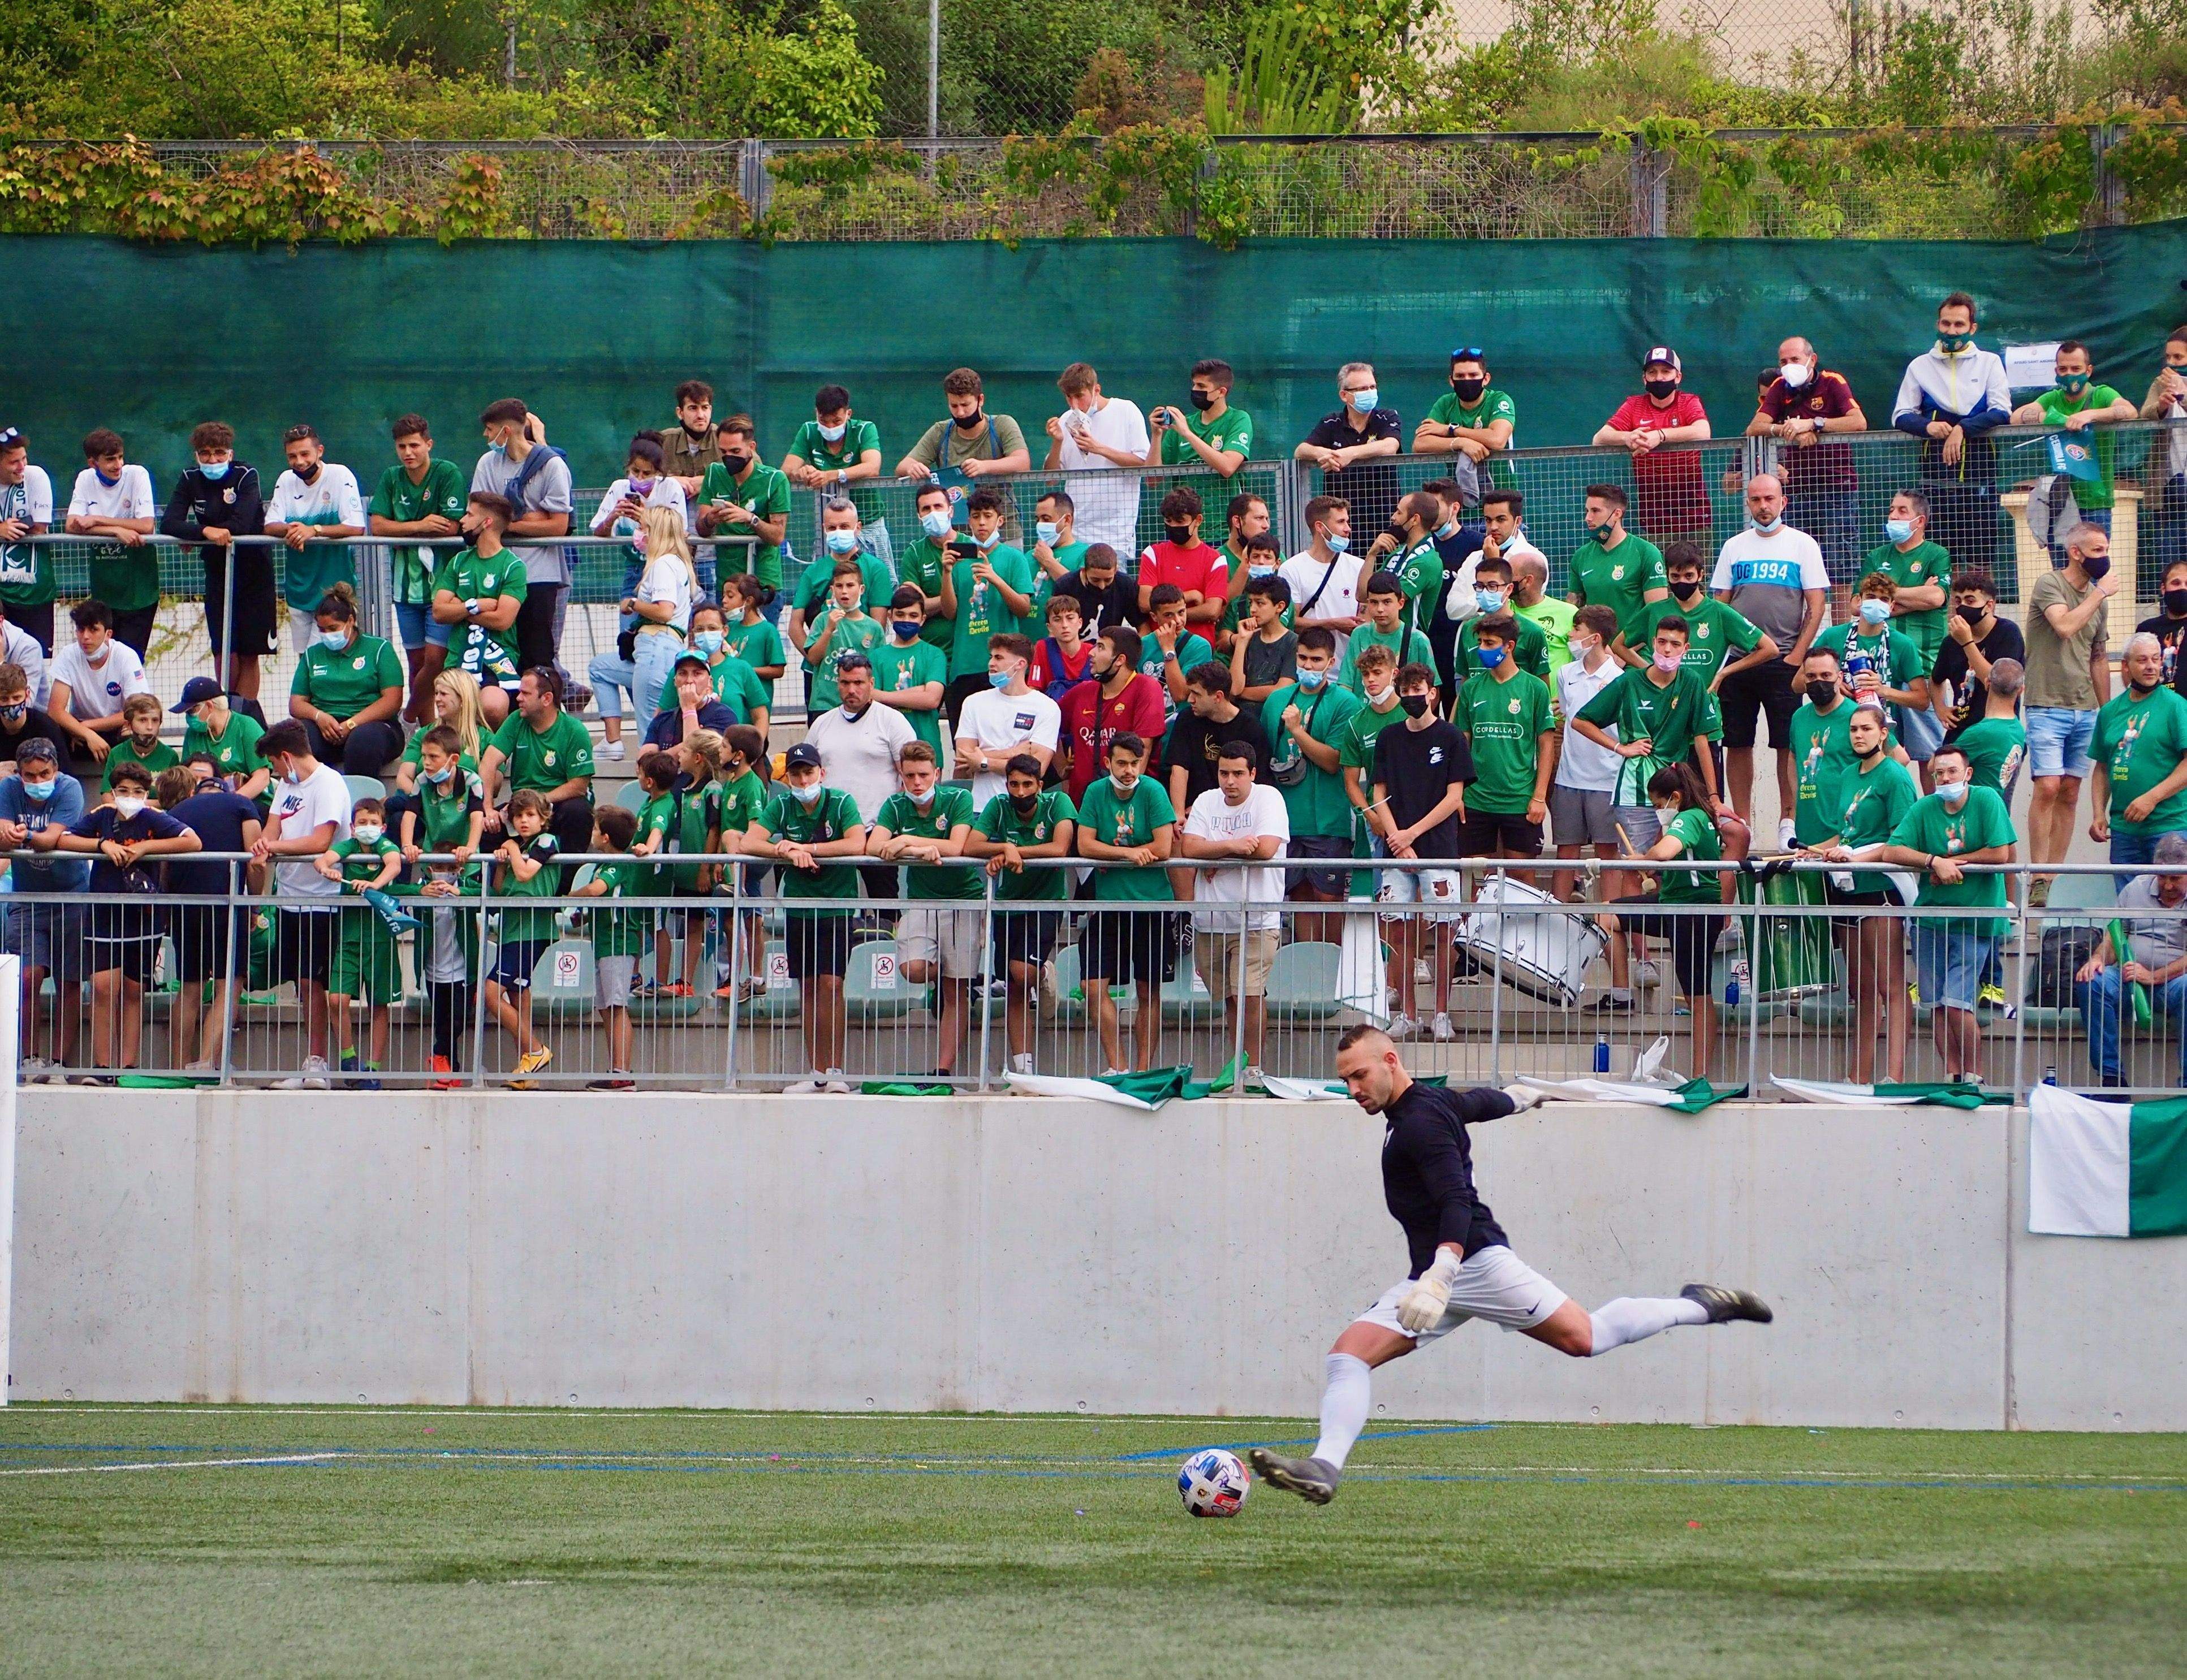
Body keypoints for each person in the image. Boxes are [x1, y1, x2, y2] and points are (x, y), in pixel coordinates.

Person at [1249, 1027, 1771, 1506]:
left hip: (1474, 1263)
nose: (1353, 1088)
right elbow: (1475, 1102)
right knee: (1347, 1357)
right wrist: (1520, 1097)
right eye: (1344, 1080)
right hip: (1434, 1276)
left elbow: (1456, 1197)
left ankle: (1698, 1305)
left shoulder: (1421, 1122)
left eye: (1359, 1075)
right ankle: (1324, 1466)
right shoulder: (1426, 1104)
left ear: (1390, 1060)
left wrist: (1442, 1273)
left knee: (1586, 1337)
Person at [36, 759, 199, 1079]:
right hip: (104, 913)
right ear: (112, 792)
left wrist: (146, 848)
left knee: (133, 990)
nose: (130, 796)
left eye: (137, 791)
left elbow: (192, 841)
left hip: (142, 916)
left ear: (146, 793)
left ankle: (127, 1067)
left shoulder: (154, 818)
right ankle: (101, 1066)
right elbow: (63, 839)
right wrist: (102, 845)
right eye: (123, 790)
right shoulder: (102, 817)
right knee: (102, 987)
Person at [1799, 702, 1918, 1085]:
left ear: (1883, 733)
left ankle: (1894, 1075)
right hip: (1846, 887)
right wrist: (1815, 850)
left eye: (1866, 728)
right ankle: (1859, 1074)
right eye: (1853, 729)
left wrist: (1854, 856)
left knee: (1891, 985)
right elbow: (1845, 833)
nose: (1858, 735)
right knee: (1861, 987)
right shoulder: (1849, 774)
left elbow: (1901, 841)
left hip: (1880, 887)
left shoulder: (1895, 776)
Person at [1883, 744, 2015, 1086]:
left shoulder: (1987, 800)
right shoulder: (1925, 807)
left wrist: (1954, 863)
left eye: (1952, 771)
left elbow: (2001, 853)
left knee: (1958, 1003)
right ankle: (1951, 1075)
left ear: (1968, 773)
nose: (1945, 778)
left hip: (1976, 919)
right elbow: (1893, 848)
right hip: (1929, 920)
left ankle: (1976, 1075)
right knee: (1936, 1006)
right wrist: (1932, 862)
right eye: (1939, 772)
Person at [1710, 473, 1829, 842]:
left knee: (1786, 743)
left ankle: (1787, 822)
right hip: (1739, 662)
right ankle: (1742, 821)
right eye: (1756, 499)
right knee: (1737, 742)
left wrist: (1797, 655)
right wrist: (1722, 661)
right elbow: (1719, 606)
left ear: (1783, 502)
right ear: (1747, 502)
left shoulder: (1802, 545)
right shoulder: (1733, 547)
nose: (1763, 506)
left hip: (1785, 663)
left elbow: (1816, 603)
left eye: (1769, 499)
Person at [745, 741, 868, 1094]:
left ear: (821, 773)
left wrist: (807, 850)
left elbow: (856, 843)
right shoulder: (782, 803)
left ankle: (835, 1069)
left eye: (808, 773)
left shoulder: (841, 801)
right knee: (810, 987)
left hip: (838, 906)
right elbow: (749, 842)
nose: (802, 781)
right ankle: (817, 1071)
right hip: (799, 907)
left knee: (833, 985)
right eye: (796, 775)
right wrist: (782, 848)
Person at [1572, 616, 1726, 884]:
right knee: (1637, 867)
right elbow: (1580, 721)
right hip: (1636, 791)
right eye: (1663, 642)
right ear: (1654, 643)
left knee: (1671, 866)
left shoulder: (1692, 682)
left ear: (1685, 649)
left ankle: (1665, 925)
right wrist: (1620, 747)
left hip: (1677, 790)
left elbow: (1703, 740)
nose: (1667, 650)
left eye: (1675, 644)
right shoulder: (1629, 682)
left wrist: (1713, 795)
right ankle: (1629, 927)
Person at [1593, 763, 1730, 1063]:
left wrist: (1645, 857)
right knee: (1606, 916)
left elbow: (1666, 851)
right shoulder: (1697, 817)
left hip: (1694, 912)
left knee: (1698, 996)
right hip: (1672, 904)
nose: (1658, 811)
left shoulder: (1689, 818)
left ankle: (1700, 1074)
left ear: (1676, 797)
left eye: (1659, 805)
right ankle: (1621, 993)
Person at [249, 720, 353, 1089]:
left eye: (275, 765)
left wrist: (273, 848)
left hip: (321, 900)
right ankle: (312, 1060)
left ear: (286, 757)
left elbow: (320, 841)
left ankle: (319, 1063)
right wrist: (264, 844)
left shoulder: (328, 783)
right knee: (302, 982)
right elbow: (272, 827)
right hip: (290, 898)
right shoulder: (286, 785)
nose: (277, 773)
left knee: (314, 982)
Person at [1373, 662, 1472, 1041]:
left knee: (1444, 930)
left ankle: (1442, 1012)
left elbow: (1454, 796)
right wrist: (1396, 836)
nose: (1412, 696)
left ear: (1432, 692)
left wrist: (1412, 833)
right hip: (1395, 848)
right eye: (1405, 689)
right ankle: (1409, 1013)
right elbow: (1377, 792)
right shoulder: (1388, 737)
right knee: (1396, 928)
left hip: (1437, 847)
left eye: (1418, 689)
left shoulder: (1450, 737)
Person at [869, 742, 980, 1078]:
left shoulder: (959, 799)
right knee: (914, 969)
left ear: (938, 773)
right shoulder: (895, 804)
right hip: (920, 901)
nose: (917, 782)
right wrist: (922, 847)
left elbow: (958, 846)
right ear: (901, 776)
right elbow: (875, 845)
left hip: (964, 900)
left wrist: (905, 842)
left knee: (954, 989)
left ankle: (943, 1069)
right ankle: (951, 970)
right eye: (910, 776)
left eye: (923, 775)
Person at [1180, 741, 1289, 1081]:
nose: (1230, 781)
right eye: (1224, 773)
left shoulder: (1269, 797)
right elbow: (1189, 847)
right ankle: (1239, 1065)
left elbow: (1266, 849)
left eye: (1238, 774)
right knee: (1230, 997)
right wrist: (1232, 847)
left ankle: (1254, 1069)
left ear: (1253, 774)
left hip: (1257, 917)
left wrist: (1214, 858)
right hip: (1211, 919)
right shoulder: (1205, 800)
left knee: (1250, 994)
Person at [1076, 732, 1178, 1076]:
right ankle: (1117, 1068)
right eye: (1121, 763)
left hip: (1152, 905)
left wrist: (1113, 854)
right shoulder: (1095, 791)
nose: (1129, 770)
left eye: (1135, 763)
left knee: (1149, 991)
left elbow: (1164, 848)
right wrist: (1129, 854)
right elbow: (1085, 846)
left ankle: (1144, 1070)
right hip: (1108, 906)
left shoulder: (1153, 790)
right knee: (1092, 985)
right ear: (1108, 763)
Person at [2024, 521, 2116, 901]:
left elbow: (2097, 657)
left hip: (2085, 707)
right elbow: (2063, 626)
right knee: (2046, 785)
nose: (2103, 557)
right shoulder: (2050, 584)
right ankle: (2035, 873)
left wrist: (2108, 711)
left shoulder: (2100, 602)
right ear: (2075, 551)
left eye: (2105, 548)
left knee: (2070, 792)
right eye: (2096, 549)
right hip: (2046, 702)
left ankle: (2051, 876)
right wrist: (2097, 595)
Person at [967, 754, 1075, 1076]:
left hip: (1046, 902)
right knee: (1014, 985)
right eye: (1014, 784)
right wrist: (1004, 850)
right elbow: (972, 845)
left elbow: (1060, 848)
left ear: (1039, 786)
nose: (1021, 791)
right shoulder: (999, 806)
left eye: (1028, 784)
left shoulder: (1058, 802)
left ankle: (1042, 974)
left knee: (1022, 973)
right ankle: (1022, 1069)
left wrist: (1011, 850)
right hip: (1008, 903)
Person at [1892, 292, 2011, 577]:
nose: (1952, 331)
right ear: (1938, 324)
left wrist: (1962, 430)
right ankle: (1946, 621)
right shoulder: (1920, 366)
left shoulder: (1990, 362)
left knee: (1981, 564)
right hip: (1935, 480)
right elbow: (1900, 415)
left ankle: (1980, 620)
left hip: (1979, 478)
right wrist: (1928, 427)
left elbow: (2002, 410)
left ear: (1973, 328)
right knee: (1942, 563)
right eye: (1946, 324)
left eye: (1959, 325)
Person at [159, 758, 261, 1076]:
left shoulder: (176, 813)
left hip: (184, 906)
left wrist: (167, 907)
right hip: (227, 906)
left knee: (189, 987)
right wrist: (255, 906)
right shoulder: (242, 805)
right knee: (227, 985)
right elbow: (255, 863)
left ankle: (178, 1067)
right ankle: (206, 1063)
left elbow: (164, 869)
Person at [369, 414, 469, 724]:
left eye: (414, 445)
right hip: (404, 589)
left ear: (429, 444)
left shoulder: (447, 472)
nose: (408, 452)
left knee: (437, 660)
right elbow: (377, 526)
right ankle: (425, 732)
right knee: (416, 664)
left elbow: (452, 525)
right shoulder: (391, 477)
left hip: (444, 587)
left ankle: (408, 715)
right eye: (402, 446)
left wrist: (400, 531)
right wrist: (421, 526)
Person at [1261, 625, 1359, 937]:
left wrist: (1298, 732)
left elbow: (1333, 762)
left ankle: (1332, 970)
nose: (1308, 666)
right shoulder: (1276, 701)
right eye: (1302, 658)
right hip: (1286, 820)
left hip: (1327, 820)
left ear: (1331, 662)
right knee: (1298, 896)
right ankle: (1306, 969)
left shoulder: (1345, 702)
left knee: (1328, 898)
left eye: (1316, 660)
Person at [402, 723, 485, 1089]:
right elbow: (409, 816)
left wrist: (470, 847)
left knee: (460, 1015)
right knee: (442, 1016)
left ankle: (449, 1066)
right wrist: (409, 845)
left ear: (452, 758)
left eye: (433, 757)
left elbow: (478, 817)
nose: (427, 762)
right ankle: (443, 1066)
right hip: (436, 968)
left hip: (463, 965)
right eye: (424, 755)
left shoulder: (472, 780)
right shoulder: (422, 781)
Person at [1747, 337, 1866, 590]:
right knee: (1797, 569)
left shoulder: (1833, 382)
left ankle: (1841, 630)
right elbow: (1754, 428)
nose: (1789, 366)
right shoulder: (1779, 387)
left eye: (1795, 360)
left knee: (1840, 569)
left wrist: (1815, 424)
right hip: (1797, 490)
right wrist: (1788, 429)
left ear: (1812, 359)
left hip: (1838, 488)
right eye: (1783, 362)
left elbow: (1858, 422)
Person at [0, 736, 87, 1078]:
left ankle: (59, 1063)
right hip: (27, 898)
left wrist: (18, 837)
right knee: (27, 977)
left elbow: (51, 839)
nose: (37, 782)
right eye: (29, 776)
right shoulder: (8, 788)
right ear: (19, 774)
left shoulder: (71, 789)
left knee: (68, 982)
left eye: (43, 774)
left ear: (56, 769)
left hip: (72, 896)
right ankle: (28, 1057)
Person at [2073, 832, 2187, 1089]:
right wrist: (2097, 959)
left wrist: (2154, 976)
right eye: (2162, 877)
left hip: (2175, 982)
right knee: (2092, 980)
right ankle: (2111, 1078)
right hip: (2128, 977)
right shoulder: (2136, 888)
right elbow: (2115, 936)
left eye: (2176, 878)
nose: (2168, 886)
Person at [159, 422, 269, 688]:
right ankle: (226, 710)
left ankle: (244, 718)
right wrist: (204, 531)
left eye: (219, 453)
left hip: (255, 571)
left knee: (249, 651)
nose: (213, 460)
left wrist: (195, 533)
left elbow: (241, 524)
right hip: (217, 572)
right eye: (206, 454)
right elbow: (169, 523)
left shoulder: (246, 475)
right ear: (197, 456)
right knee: (223, 649)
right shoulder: (189, 478)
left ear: (230, 453)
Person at [2011, 339, 2140, 557]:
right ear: (2056, 371)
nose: (2069, 374)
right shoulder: (2053, 398)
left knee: (2093, 570)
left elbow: (2129, 411)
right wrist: (2054, 418)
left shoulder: (2101, 394)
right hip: (2062, 501)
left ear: (2089, 371)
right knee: (2063, 574)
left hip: (2096, 501)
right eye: (2063, 369)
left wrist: (2090, 415)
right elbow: (2016, 417)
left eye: (2076, 369)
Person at [590, 507, 701, 758]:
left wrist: (632, 603)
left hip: (656, 647)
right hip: (657, 650)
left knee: (649, 731)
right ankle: (613, 741)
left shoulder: (663, 564)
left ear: (656, 533)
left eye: (644, 528)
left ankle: (653, 777)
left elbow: (664, 612)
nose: (638, 534)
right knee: (600, 668)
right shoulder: (678, 564)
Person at [312, 794, 404, 1088]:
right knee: (337, 998)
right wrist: (326, 869)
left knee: (379, 1004)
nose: (368, 827)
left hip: (379, 938)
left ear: (383, 826)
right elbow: (324, 858)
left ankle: (373, 1070)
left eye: (374, 823)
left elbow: (394, 864)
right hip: (350, 937)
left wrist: (374, 885)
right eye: (362, 823)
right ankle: (349, 1058)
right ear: (352, 827)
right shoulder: (349, 846)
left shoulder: (384, 845)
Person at [1452, 612, 1555, 865]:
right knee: (1475, 874)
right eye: (1480, 643)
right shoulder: (1470, 689)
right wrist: (1457, 795)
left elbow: (1546, 744)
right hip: (1476, 799)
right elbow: (1461, 744)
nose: (1482, 650)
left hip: (1520, 799)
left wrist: (1539, 797)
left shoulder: (1535, 688)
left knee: (1522, 876)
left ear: (1509, 646)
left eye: (1489, 643)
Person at [1809, 575, 1930, 778]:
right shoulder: (1833, 636)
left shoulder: (1902, 644)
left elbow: (1922, 700)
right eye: (1871, 596)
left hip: (1881, 736)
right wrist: (1833, 685)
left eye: (1884, 600)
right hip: (1839, 731)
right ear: (1859, 600)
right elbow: (1798, 682)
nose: (1876, 603)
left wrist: (1882, 690)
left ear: (1892, 606)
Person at [806, 650, 919, 864]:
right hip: (832, 831)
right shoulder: (821, 724)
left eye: (858, 683)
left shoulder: (892, 721)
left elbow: (911, 777)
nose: (852, 690)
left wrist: (893, 824)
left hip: (878, 831)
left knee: (882, 897)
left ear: (871, 683)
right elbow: (808, 776)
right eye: (845, 683)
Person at [481, 788, 560, 1089]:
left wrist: (513, 850)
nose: (524, 821)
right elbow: (502, 888)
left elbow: (527, 874)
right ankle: (527, 1071)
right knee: (517, 995)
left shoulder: (546, 841)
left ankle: (537, 1050)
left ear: (543, 819)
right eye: (519, 816)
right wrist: (502, 860)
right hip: (512, 928)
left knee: (491, 993)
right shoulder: (520, 845)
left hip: (531, 929)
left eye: (531, 815)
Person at [263, 424, 366, 651]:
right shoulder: (286, 479)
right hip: (298, 588)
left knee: (325, 656)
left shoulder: (340, 475)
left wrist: (314, 530)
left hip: (335, 589)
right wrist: (294, 530)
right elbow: (270, 525)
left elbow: (356, 526)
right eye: (292, 456)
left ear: (320, 451)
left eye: (305, 454)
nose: (299, 461)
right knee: (305, 659)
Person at [567, 804, 649, 1091]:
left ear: (605, 838)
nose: (592, 833)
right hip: (603, 943)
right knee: (605, 1007)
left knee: (617, 1006)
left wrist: (571, 896)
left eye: (595, 829)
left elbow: (596, 891)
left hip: (619, 942)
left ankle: (623, 1072)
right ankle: (615, 1067)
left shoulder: (619, 863)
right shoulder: (603, 864)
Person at [2089, 631, 2187, 871]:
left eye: (2155, 659)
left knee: (2170, 903)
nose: (2151, 667)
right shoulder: (2110, 712)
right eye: (2142, 660)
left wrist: (2151, 799)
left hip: (2169, 827)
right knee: (2127, 904)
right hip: (2123, 831)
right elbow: (2102, 768)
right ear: (2126, 666)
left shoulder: (2176, 706)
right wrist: (2098, 815)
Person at [938, 487, 1036, 729]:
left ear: (1000, 520)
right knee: (964, 745)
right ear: (968, 520)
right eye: (976, 516)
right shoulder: (959, 560)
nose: (982, 522)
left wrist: (996, 579)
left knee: (1003, 737)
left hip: (1004, 667)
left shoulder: (1014, 558)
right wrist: (947, 573)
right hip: (964, 666)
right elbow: (950, 613)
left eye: (988, 516)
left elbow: (1024, 609)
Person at [1595, 347, 1712, 545]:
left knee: (1694, 575)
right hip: (1653, 520)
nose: (1659, 378)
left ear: (1678, 377)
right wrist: (1627, 437)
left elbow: (1703, 431)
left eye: (1666, 372)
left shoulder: (1689, 402)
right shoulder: (1634, 405)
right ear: (1644, 378)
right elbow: (1600, 438)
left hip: (1695, 516)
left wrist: (1660, 436)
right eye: (1652, 372)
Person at [479, 666, 594, 863]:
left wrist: (539, 800)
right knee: (482, 822)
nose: (518, 698)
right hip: (523, 806)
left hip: (557, 803)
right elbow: (488, 764)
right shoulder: (516, 721)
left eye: (525, 693)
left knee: (578, 812)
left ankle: (567, 889)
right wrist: (488, 808)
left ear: (547, 699)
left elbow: (579, 786)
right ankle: (490, 890)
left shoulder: (575, 730)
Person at [288, 583, 406, 776]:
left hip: (372, 726)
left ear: (351, 621)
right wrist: (320, 717)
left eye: (333, 628)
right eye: (322, 630)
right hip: (326, 727)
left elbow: (392, 701)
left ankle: (362, 802)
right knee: (299, 738)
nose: (326, 635)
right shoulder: (312, 655)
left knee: (362, 742)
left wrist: (352, 724)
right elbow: (296, 704)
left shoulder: (379, 649)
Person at [432, 491, 526, 727]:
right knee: (450, 710)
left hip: (496, 660)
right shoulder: (458, 561)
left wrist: (461, 609)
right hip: (457, 659)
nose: (462, 520)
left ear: (487, 523)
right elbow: (439, 612)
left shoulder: (513, 567)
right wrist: (476, 605)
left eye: (469, 514)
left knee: (493, 706)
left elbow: (503, 619)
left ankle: (493, 760)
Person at [61, 429, 157, 663]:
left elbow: (146, 525)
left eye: (121, 457)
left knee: (132, 661)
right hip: (104, 593)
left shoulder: (137, 475)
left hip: (139, 592)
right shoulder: (85, 479)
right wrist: (116, 531)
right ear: (93, 463)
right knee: (102, 661)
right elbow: (72, 525)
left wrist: (97, 520)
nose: (118, 465)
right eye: (110, 460)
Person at [1551, 606, 1626, 901]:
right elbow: (1570, 718)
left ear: (1595, 638)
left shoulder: (1621, 679)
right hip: (1569, 779)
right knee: (1566, 853)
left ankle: (1609, 926)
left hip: (1607, 782)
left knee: (1608, 854)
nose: (1570, 635)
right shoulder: (1566, 673)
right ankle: (1556, 924)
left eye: (1577, 630)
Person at [1043, 362, 1149, 554]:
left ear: (1096, 389)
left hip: (1114, 537)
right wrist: (1057, 442)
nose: (1074, 404)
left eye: (1080, 396)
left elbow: (1143, 462)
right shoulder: (1066, 419)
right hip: (1074, 536)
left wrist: (1098, 448)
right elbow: (1050, 479)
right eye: (1069, 397)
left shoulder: (1126, 410)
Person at [783, 383, 888, 568]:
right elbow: (786, 470)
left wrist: (832, 475)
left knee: (881, 578)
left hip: (869, 522)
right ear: (817, 413)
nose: (830, 427)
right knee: (829, 580)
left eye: (837, 421)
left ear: (849, 414)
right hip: (831, 528)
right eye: (824, 421)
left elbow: (872, 467)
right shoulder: (808, 431)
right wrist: (802, 473)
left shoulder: (865, 429)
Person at [1058, 625, 1165, 804]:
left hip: (1123, 804)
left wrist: (1124, 804)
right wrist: (1062, 768)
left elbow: (1142, 750)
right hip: (1081, 804)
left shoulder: (1146, 688)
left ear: (1120, 660)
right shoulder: (1082, 691)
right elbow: (1048, 724)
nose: (1091, 653)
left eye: (1100, 647)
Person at [952, 634, 1060, 811]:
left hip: (1023, 811)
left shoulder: (1047, 707)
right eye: (991, 657)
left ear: (1020, 664)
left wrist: (984, 762)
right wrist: (1014, 752)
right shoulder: (973, 702)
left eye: (999, 658)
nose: (991, 664)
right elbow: (965, 759)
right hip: (980, 809)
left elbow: (1036, 769)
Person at [1567, 482, 1668, 662]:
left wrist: (1622, 654)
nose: (1588, 518)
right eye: (1587, 511)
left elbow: (1657, 614)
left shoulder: (1645, 553)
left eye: (1595, 511)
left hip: (1636, 657)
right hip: (1593, 659)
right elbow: (1573, 611)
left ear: (1617, 514)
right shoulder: (1581, 557)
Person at [785, 498, 891, 667]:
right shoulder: (812, 572)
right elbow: (794, 626)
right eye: (832, 528)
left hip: (860, 669)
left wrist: (859, 667)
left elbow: (878, 626)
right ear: (824, 529)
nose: (838, 532)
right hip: (820, 671)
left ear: (858, 528)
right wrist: (815, 658)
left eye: (844, 527)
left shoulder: (876, 569)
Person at [47, 598, 152, 768]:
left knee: (136, 730)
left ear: (108, 634)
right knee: (51, 731)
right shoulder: (69, 655)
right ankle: (68, 786)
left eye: (93, 630)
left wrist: (88, 727)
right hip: (79, 732)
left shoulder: (126, 656)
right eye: (81, 630)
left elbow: (137, 710)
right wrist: (85, 733)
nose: (85, 637)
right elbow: (55, 710)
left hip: (114, 729)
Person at [1296, 361, 1401, 530]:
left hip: (1383, 517)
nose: (1370, 392)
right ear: (1344, 395)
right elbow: (1301, 451)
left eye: (1372, 387)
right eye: (1362, 389)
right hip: (1341, 521)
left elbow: (1390, 446)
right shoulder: (1331, 422)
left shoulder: (1387, 417)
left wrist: (1349, 454)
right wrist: (1325, 454)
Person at [695, 414, 791, 598]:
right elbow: (702, 528)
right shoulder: (714, 473)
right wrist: (710, 520)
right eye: (723, 452)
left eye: (735, 451)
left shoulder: (775, 479)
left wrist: (750, 519)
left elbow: (778, 536)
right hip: (728, 583)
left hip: (763, 582)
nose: (729, 457)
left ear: (751, 448)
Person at [895, 367, 1033, 491]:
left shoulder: (1002, 424)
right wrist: (912, 468)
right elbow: (902, 467)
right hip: (956, 516)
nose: (960, 413)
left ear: (981, 400)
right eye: (954, 406)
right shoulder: (940, 431)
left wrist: (984, 467)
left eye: (965, 405)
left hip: (1002, 516)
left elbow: (1022, 462)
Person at [1166, 660, 1270, 822]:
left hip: (1235, 814)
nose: (1190, 700)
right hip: (1191, 813)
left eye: (1197, 694)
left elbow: (1255, 783)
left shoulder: (1251, 728)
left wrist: (1208, 806)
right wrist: (1178, 814)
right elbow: (1179, 769)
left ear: (1218, 696)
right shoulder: (1187, 719)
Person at [1933, 565, 2024, 741]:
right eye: (1958, 602)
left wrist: (1967, 642)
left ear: (1989, 606)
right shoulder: (1951, 642)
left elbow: (1995, 683)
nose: (1963, 607)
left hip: (1998, 730)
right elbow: (1936, 679)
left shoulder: (2008, 633)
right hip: (1961, 731)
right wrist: (1940, 708)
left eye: (1970, 601)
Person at [1785, 646, 1861, 853]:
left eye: (1826, 675)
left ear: (1840, 677)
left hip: (1846, 834)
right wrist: (1797, 798)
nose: (1819, 682)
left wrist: (1861, 801)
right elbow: (1793, 757)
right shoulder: (1799, 717)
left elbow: (1897, 757)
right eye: (1811, 676)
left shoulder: (1859, 717)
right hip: (1808, 831)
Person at [800, 556, 887, 717]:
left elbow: (878, 670)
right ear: (833, 590)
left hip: (860, 705)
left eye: (850, 586)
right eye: (839, 586)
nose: (845, 591)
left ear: (861, 590)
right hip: (824, 705)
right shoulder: (822, 620)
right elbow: (812, 659)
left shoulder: (873, 627)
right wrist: (828, 631)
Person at [1136, 487, 1228, 631]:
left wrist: (1166, 616)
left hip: (1198, 647)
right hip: (1159, 644)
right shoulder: (1152, 554)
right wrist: (1190, 596)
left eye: (1180, 521)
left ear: (1198, 520)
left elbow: (1212, 611)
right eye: (1169, 521)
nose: (1173, 526)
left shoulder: (1216, 560)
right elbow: (1145, 603)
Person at [1147, 358, 1254, 480]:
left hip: (1223, 499)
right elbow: (1152, 481)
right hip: (1184, 500)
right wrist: (1156, 436)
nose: (1195, 390)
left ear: (1221, 392)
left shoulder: (1238, 419)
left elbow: (1228, 467)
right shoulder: (1180, 425)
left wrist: (1188, 434)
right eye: (1194, 384)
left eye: (1201, 386)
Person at [0, 425, 57, 653]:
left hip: (34, 592)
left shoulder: (35, 476)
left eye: (24, 458)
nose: (22, 466)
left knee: (38, 662)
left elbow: (39, 527)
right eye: (14, 462)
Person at [872, 586, 950, 750]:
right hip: (886, 747)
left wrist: (884, 695)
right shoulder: (876, 657)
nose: (906, 620)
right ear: (890, 616)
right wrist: (920, 691)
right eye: (900, 614)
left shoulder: (935, 654)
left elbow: (932, 700)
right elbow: (871, 700)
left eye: (913, 615)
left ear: (923, 619)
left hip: (926, 747)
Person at [1413, 345, 1515, 470]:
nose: (1467, 380)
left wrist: (1450, 430)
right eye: (1460, 376)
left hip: (1501, 487)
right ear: (1452, 381)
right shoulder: (1445, 403)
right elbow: (1420, 443)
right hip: (1457, 488)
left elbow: (1497, 440)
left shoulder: (1499, 400)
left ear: (1486, 379)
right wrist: (1460, 443)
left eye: (1473, 375)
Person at [1451, 554, 1548, 683]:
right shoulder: (1469, 629)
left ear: (1509, 589)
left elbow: (1542, 685)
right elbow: (1465, 680)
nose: (1485, 592)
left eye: (1492, 586)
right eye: (1480, 586)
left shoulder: (1532, 632)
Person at [175, 673, 269, 803]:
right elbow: (185, 777)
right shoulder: (193, 734)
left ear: (209, 706)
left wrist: (230, 804)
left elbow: (262, 777)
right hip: (204, 804)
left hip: (250, 802)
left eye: (191, 711)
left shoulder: (246, 726)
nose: (189, 717)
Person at [1278, 495, 1363, 637]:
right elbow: (1289, 622)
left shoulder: (1359, 566)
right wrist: (1333, 624)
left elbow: (1366, 617)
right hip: (1310, 657)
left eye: (1347, 522)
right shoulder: (1291, 569)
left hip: (1351, 658)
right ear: (1320, 527)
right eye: (1341, 522)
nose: (1348, 529)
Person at [1336, 571, 1434, 695]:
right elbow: (1346, 685)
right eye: (1374, 602)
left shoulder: (1418, 640)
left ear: (1400, 603)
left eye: (1387, 602)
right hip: (1362, 712)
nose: (1380, 609)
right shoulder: (1359, 634)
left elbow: (1432, 690)